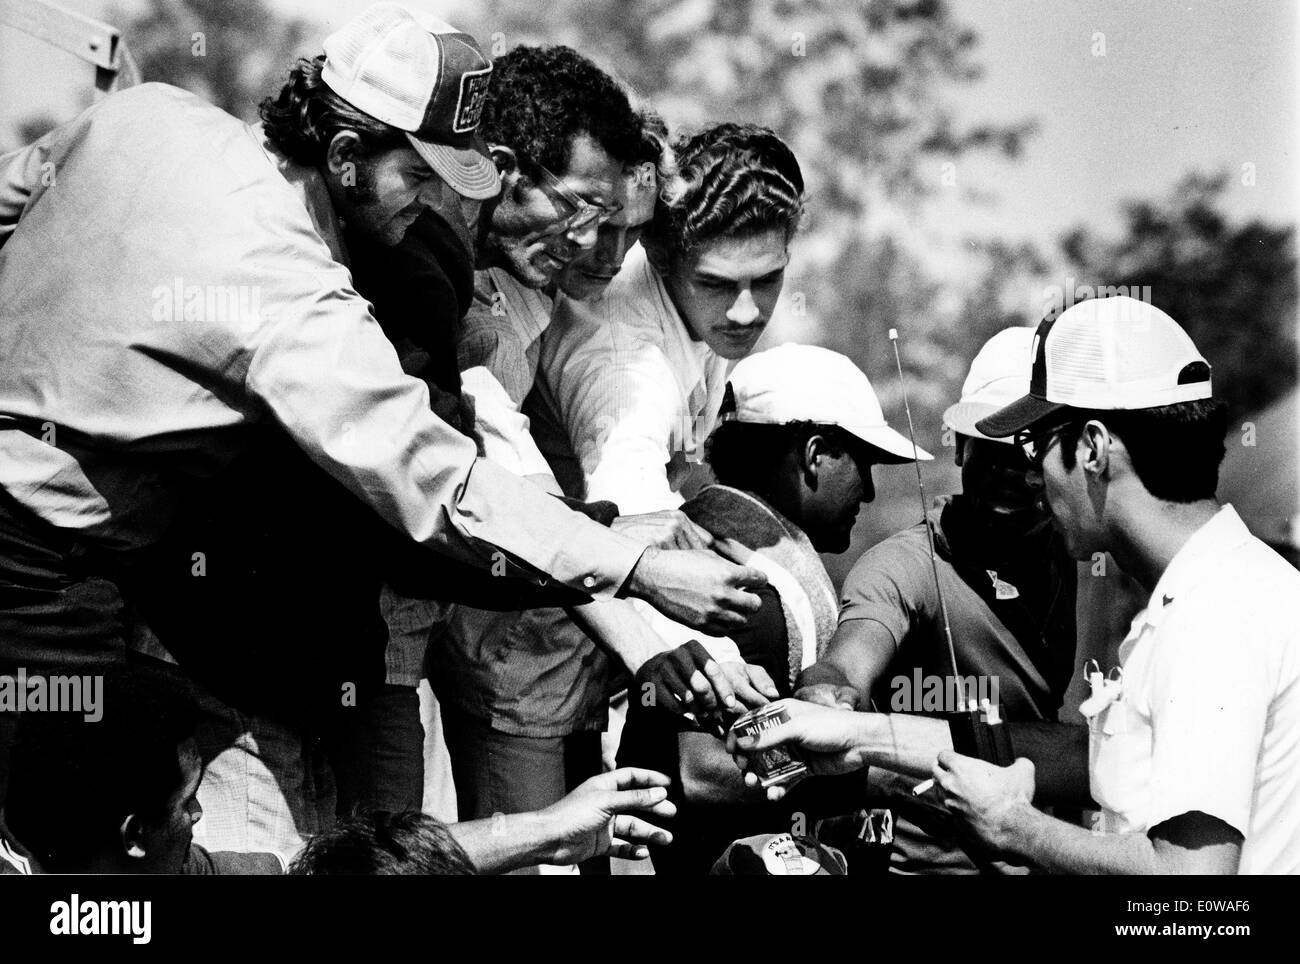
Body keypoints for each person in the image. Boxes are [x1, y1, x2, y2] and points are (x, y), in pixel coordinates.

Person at [0, 3, 767, 827]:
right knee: (84, 835)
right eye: (419, 175)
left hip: (78, 550)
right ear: (343, 156)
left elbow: (12, 195)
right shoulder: (292, 297)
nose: (436, 202)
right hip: (42, 567)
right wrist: (636, 566)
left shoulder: (150, 116)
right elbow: (428, 476)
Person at [733, 296, 1300, 875]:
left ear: (1094, 449)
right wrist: (855, 734)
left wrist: (1017, 828)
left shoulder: (1211, 618)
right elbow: (1081, 757)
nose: (1030, 475)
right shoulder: (1228, 586)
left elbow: (1193, 892)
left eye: (1036, 448)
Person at [429, 123, 806, 858]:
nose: (745, 311)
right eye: (719, 285)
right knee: (530, 862)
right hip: (522, 663)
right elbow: (623, 498)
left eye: (767, 280)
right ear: (665, 253)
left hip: (582, 648)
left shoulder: (690, 317)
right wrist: (703, 658)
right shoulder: (626, 362)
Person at [618, 344, 929, 873]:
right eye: (864, 464)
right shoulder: (743, 590)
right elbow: (697, 771)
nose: (871, 491)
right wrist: (875, 769)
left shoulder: (728, 547)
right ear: (813, 455)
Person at [795, 327, 1079, 874]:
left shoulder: (1069, 545)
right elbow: (846, 665)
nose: (1007, 474)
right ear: (960, 444)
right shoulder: (903, 567)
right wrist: (827, 691)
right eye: (989, 448)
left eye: (1027, 454)